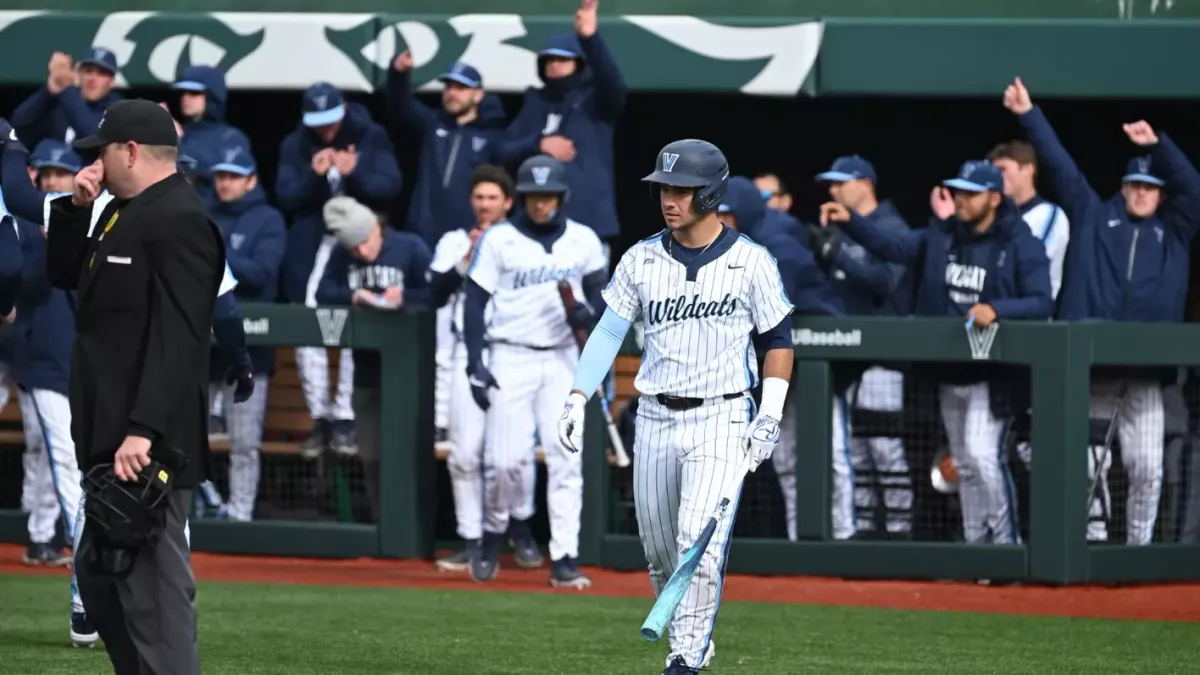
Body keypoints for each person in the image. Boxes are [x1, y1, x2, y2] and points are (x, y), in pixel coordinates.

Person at [558, 140, 794, 674]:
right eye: (665, 188)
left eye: (682, 190)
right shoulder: (641, 257)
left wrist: (771, 413)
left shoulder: (751, 260)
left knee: (698, 543)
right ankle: (695, 638)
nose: (670, 199)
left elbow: (778, 340)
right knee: (662, 553)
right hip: (656, 416)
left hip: (722, 415)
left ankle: (685, 657)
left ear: (709, 194)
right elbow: (608, 331)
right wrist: (577, 393)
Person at [45, 98, 222, 675]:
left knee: (155, 591)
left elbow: (181, 337)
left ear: (130, 150)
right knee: (101, 580)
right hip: (108, 430)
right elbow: (65, 275)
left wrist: (143, 428)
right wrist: (75, 209)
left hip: (146, 444)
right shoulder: (124, 210)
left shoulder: (180, 219)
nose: (94, 163)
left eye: (101, 151)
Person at [1004, 77, 1200, 544]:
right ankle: (1090, 540)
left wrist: (1160, 146)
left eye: (1150, 187)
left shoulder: (1173, 232)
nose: (1141, 193)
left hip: (1145, 373)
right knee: (1087, 462)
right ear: (1123, 186)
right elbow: (1060, 166)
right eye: (1134, 184)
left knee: (1147, 466)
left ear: (1160, 193)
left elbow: (1194, 188)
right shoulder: (1095, 216)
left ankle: (1137, 548)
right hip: (1094, 369)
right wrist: (1028, 114)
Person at [822, 159, 1054, 545]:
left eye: (971, 193)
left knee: (983, 458)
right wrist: (851, 221)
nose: (961, 199)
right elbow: (894, 247)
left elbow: (1043, 301)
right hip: (950, 370)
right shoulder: (942, 235)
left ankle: (1005, 547)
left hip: (993, 375)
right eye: (959, 190)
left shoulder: (1019, 241)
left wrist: (998, 308)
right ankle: (975, 545)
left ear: (995, 198)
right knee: (963, 463)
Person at [462, 154, 606, 588]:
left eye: (549, 195)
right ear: (522, 198)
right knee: (506, 462)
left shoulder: (582, 239)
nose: (542, 203)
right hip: (511, 353)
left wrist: (589, 313)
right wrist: (475, 360)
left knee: (566, 457)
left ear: (561, 197)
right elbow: (473, 299)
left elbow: (604, 298)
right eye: (534, 196)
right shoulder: (501, 239)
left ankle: (564, 557)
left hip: (563, 357)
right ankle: (493, 532)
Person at [278, 81, 403, 459]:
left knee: (355, 318)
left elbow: (391, 186)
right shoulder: (296, 143)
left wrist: (358, 170)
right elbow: (285, 195)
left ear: (344, 109)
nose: (325, 130)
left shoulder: (370, 136)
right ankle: (322, 418)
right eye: (318, 122)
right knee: (306, 323)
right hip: (313, 244)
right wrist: (313, 177)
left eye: (331, 120)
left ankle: (345, 417)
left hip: (358, 243)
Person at [426, 165, 531, 572]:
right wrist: (466, 259)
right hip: (463, 353)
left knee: (515, 454)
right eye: (479, 197)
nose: (485, 205)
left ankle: (519, 526)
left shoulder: (525, 241)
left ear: (507, 202)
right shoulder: (454, 240)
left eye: (493, 198)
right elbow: (433, 292)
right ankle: (470, 538)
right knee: (464, 453)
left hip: (514, 352)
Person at [810, 155, 913, 539]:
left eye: (841, 183)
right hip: (845, 355)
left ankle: (900, 531)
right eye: (831, 185)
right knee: (856, 450)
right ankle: (867, 529)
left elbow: (885, 281)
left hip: (884, 355)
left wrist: (836, 254)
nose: (833, 191)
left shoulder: (890, 225)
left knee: (884, 447)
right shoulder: (837, 227)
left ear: (866, 183)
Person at [316, 196, 433, 522]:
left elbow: (437, 294)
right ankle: (384, 522)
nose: (362, 253)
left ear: (376, 229)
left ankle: (415, 525)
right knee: (371, 455)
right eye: (353, 249)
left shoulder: (409, 247)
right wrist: (353, 296)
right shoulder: (343, 254)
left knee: (408, 453)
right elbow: (323, 292)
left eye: (364, 243)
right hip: (366, 372)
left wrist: (406, 297)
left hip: (409, 368)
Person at [502, 0, 626, 247]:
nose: (554, 65)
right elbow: (502, 151)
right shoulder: (534, 101)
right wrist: (539, 144)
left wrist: (590, 38)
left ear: (578, 63)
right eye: (549, 60)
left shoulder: (595, 101)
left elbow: (614, 84)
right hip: (535, 226)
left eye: (563, 59)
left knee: (590, 287)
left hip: (588, 224)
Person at [207, 142, 287, 522]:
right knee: (189, 440)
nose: (225, 183)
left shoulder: (268, 219)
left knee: (243, 443)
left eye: (234, 177)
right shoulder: (203, 212)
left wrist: (216, 251)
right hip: (203, 350)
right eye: (221, 175)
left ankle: (240, 514)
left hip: (249, 347)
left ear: (251, 181)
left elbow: (261, 274)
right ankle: (201, 508)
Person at [387, 54, 516, 247]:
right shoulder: (433, 125)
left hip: (467, 235)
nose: (452, 93)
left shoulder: (492, 136)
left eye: (461, 88)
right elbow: (402, 106)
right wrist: (398, 74)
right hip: (423, 233)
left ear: (478, 94)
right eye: (449, 87)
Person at [985, 140, 1070, 300]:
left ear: (1028, 170)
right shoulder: (995, 216)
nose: (996, 177)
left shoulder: (1049, 214)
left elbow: (1027, 263)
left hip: (1031, 315)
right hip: (992, 311)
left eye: (1002, 169)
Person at [171, 65, 253, 207]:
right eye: (183, 93)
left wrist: (180, 143)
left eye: (194, 93)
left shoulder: (231, 138)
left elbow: (229, 184)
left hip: (209, 217)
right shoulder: (176, 131)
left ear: (212, 97)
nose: (186, 98)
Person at [12, 48, 122, 148]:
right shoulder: (60, 103)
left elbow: (92, 136)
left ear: (112, 82)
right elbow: (17, 126)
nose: (93, 78)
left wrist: (67, 88)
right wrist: (47, 91)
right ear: (78, 74)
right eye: (88, 71)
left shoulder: (118, 108)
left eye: (101, 73)